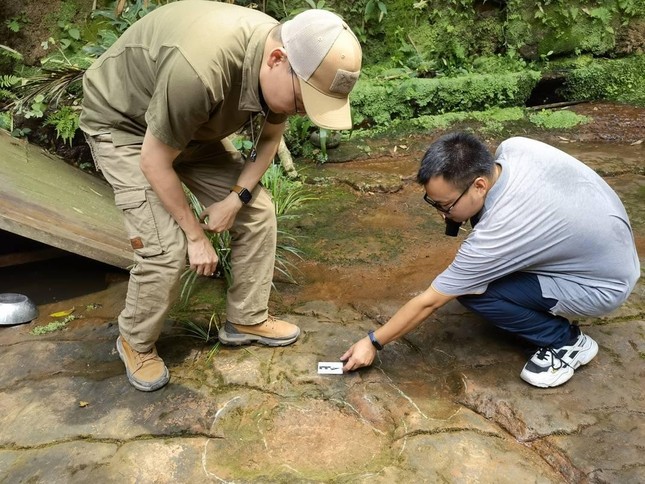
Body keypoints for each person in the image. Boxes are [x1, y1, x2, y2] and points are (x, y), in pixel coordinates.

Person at [79, 1, 362, 391]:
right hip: (126, 127)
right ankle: (135, 341)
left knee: (258, 211)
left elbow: (270, 134)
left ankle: (246, 318)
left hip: (192, 129)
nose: (300, 112)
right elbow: (154, 160)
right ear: (278, 60)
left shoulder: (283, 53)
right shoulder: (200, 69)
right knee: (165, 248)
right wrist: (195, 236)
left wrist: (236, 198)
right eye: (302, 102)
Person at [341, 132, 640, 388]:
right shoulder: (514, 147)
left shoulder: (500, 230)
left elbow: (431, 301)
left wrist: (373, 341)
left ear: (480, 185)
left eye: (445, 206)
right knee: (480, 277)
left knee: (475, 292)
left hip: (602, 285)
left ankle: (566, 342)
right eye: (433, 203)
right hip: (607, 247)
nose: (441, 214)